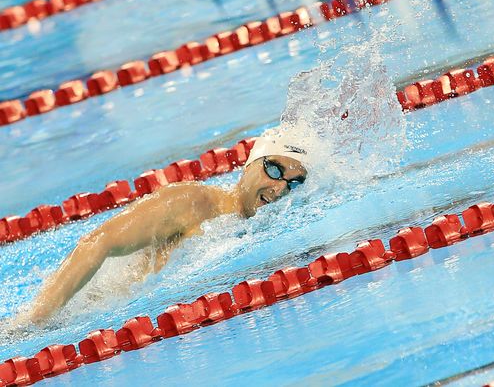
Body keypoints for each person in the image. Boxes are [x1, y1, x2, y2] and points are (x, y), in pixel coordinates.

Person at [21, 138, 308, 324]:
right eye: (274, 170)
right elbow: (98, 242)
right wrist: (38, 319)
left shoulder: (261, 226)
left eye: (293, 183)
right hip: (105, 316)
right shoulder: (193, 202)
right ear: (248, 165)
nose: (280, 188)